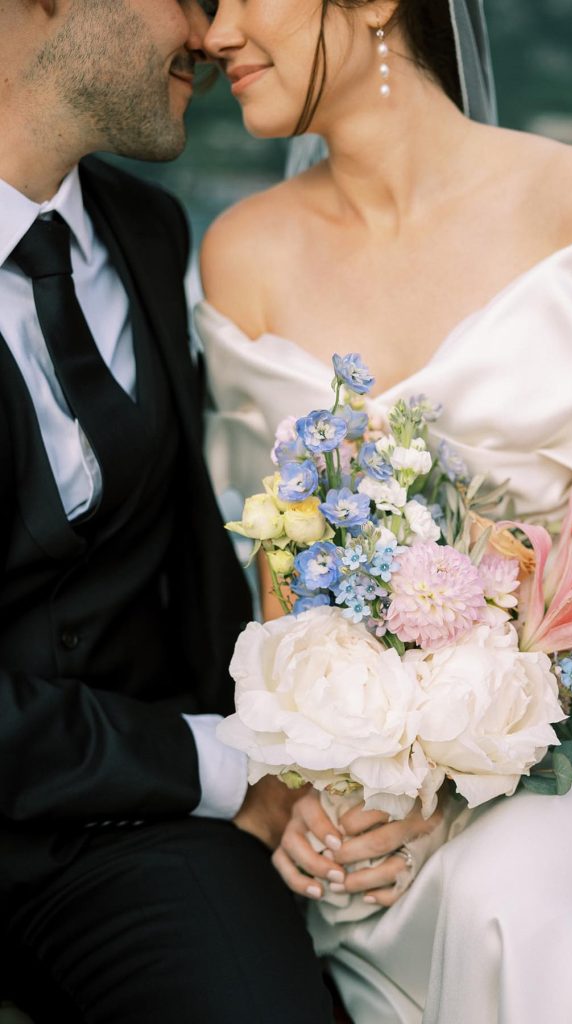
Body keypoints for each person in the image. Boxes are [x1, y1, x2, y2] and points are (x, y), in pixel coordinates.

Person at [198, 0, 572, 1021]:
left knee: (530, 877)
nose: (215, 33)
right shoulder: (241, 253)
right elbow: (279, 579)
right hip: (373, 749)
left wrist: (465, 762)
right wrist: (326, 773)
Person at [0, 2, 335, 1020]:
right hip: (168, 770)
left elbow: (190, 553)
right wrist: (222, 767)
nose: (210, 31)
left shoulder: (147, 230)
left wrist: (312, 753)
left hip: (132, 836)